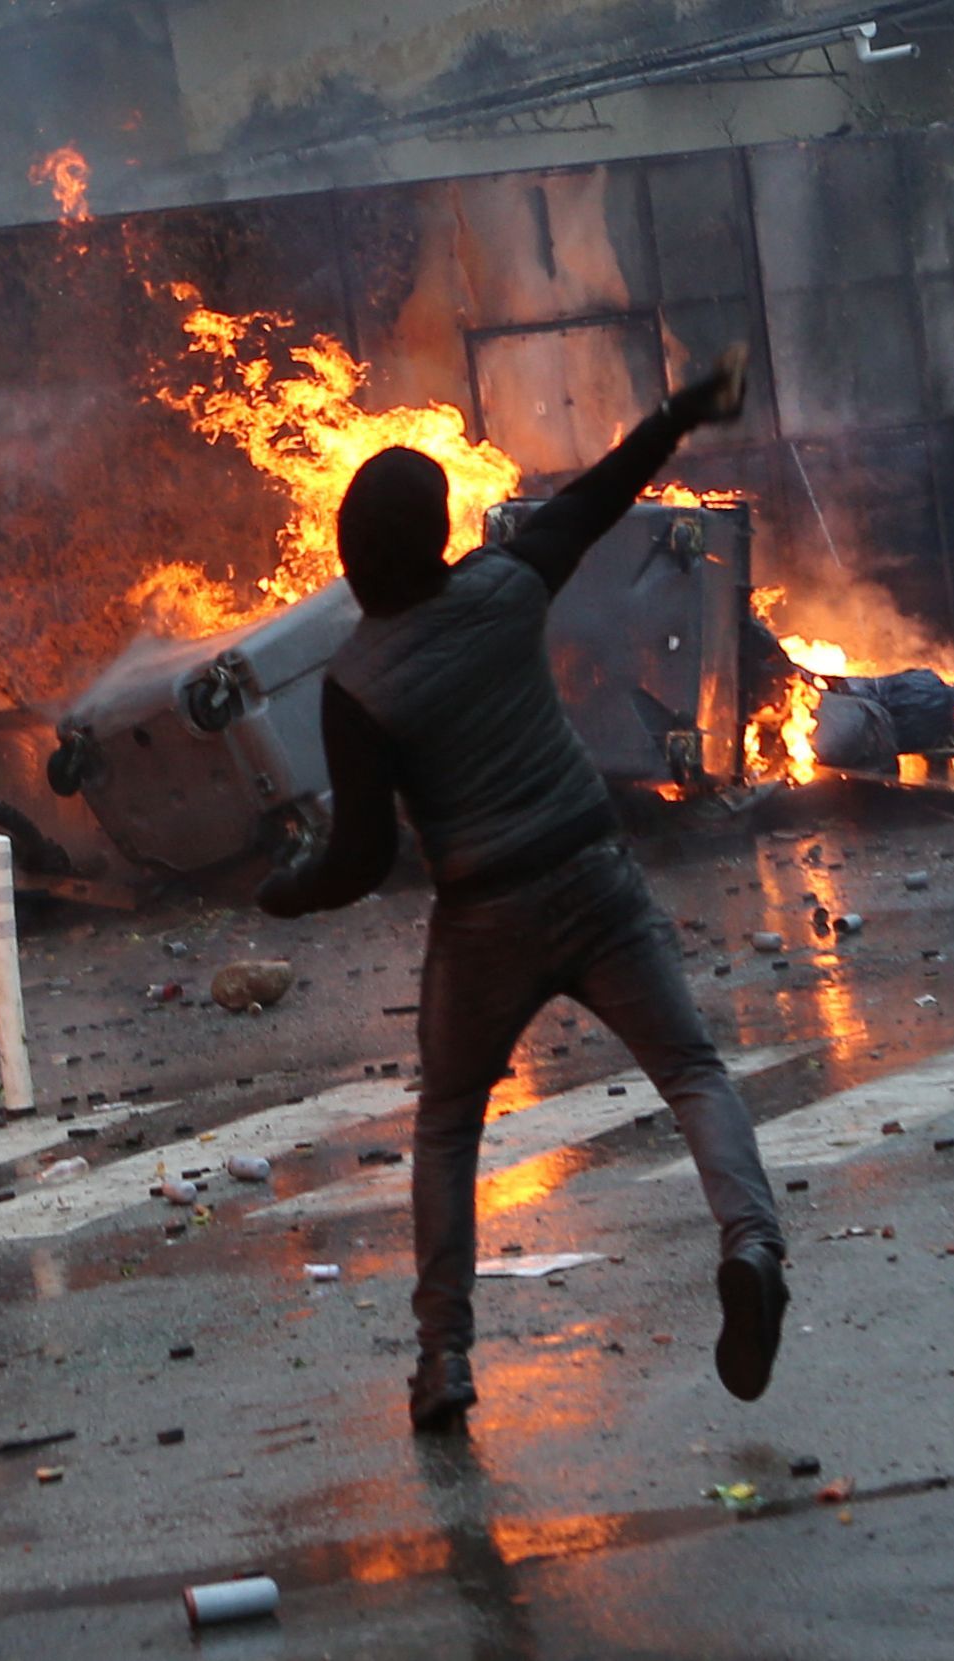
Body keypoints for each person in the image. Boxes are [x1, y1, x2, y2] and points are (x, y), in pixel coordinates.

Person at [256, 347, 789, 1432]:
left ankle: (443, 1357)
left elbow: (358, 859)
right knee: (689, 1070)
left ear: (352, 559)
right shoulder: (503, 587)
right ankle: (749, 1245)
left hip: (483, 909)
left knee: (449, 1121)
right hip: (592, 871)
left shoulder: (355, 684)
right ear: (440, 537)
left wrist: (289, 891)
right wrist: (677, 410)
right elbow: (597, 494)